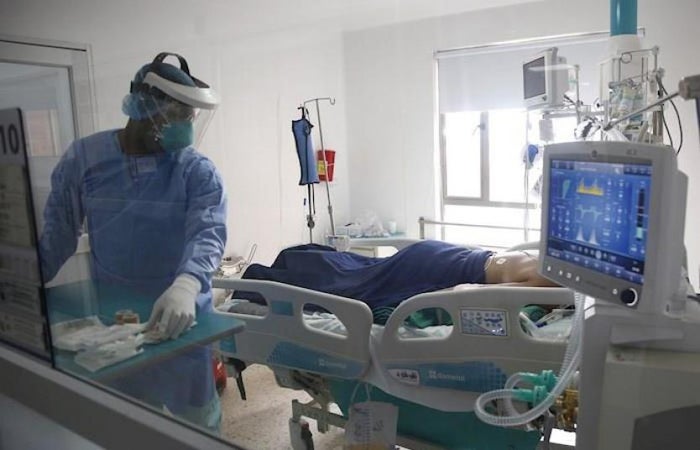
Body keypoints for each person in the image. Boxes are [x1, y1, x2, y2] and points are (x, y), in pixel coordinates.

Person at [39, 52, 227, 432]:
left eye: (191, 116)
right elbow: (58, 233)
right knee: (128, 426)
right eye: (180, 114)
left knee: (198, 427)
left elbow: (207, 233)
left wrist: (187, 285)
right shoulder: (85, 158)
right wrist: (22, 281)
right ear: (146, 109)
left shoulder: (196, 171)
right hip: (114, 321)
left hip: (180, 319)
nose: (188, 126)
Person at [241, 240, 557, 313]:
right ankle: (261, 281)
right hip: (438, 271)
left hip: (444, 254)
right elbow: (469, 291)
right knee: (357, 290)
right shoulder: (554, 285)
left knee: (363, 272)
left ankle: (295, 262)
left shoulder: (553, 261)